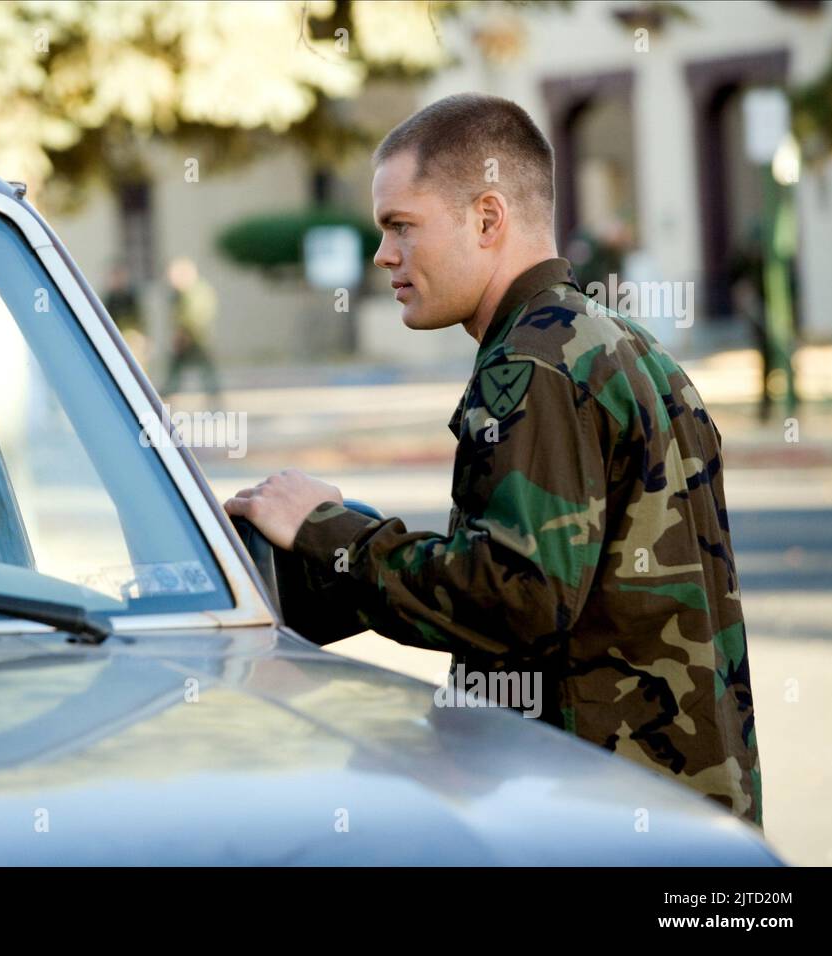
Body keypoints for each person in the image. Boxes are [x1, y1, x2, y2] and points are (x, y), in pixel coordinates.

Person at [224, 93, 763, 828]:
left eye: (400, 226)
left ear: (487, 218)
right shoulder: (624, 344)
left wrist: (328, 532)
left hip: (592, 817)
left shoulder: (532, 366)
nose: (383, 254)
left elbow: (515, 602)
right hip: (686, 815)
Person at [161, 256, 221, 400]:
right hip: (189, 335)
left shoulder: (197, 291)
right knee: (177, 365)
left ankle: (213, 391)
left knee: (205, 365)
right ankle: (170, 390)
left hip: (197, 336)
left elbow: (196, 315)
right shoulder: (180, 293)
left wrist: (184, 334)